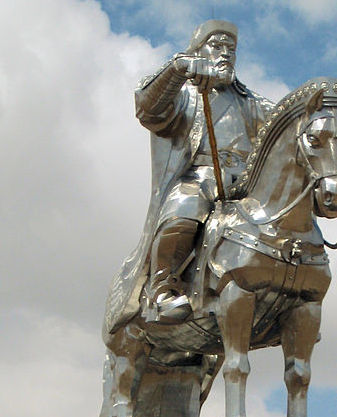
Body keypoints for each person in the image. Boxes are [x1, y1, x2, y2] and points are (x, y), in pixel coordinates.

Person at [104, 19, 273, 330]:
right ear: (200, 51)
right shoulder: (186, 94)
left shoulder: (250, 101)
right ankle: (163, 289)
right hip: (199, 177)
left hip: (245, 183)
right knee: (184, 206)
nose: (225, 54)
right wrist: (177, 69)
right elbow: (149, 108)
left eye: (231, 49)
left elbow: (280, 125)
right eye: (217, 46)